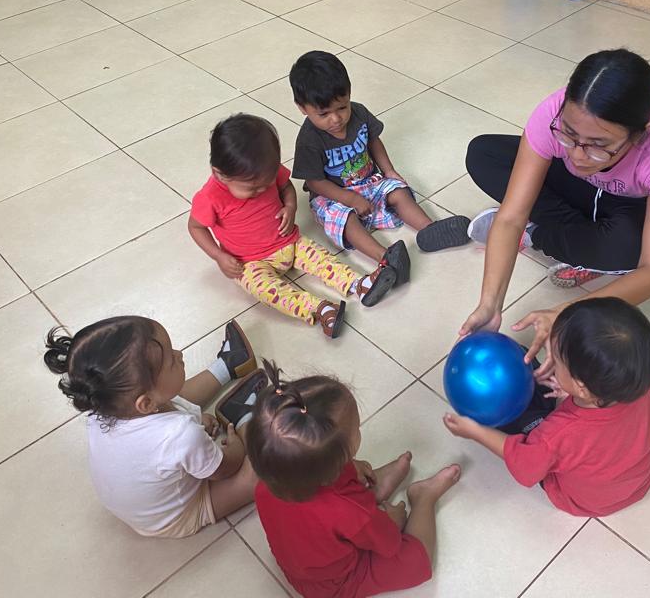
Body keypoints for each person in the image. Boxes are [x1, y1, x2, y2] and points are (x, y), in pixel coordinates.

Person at [460, 48, 650, 375]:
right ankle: (579, 241)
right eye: (569, 135)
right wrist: (489, 304)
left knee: (629, 249)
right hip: (595, 187)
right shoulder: (554, 114)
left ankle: (542, 235)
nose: (578, 155)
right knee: (484, 154)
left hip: (648, 203)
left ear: (640, 134)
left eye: (598, 144)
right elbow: (509, 217)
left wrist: (567, 313)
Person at [247, 361, 462, 598]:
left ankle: (371, 489)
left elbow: (318, 504)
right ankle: (423, 497)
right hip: (333, 584)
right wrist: (392, 520)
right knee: (416, 563)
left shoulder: (270, 480)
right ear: (339, 460)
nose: (359, 431)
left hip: (302, 563)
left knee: (346, 510)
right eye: (357, 429)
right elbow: (390, 543)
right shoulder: (350, 512)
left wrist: (352, 466)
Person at [43, 316, 262, 538]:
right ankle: (243, 417)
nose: (179, 354)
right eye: (171, 361)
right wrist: (236, 445)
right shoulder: (181, 435)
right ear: (145, 404)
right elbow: (226, 468)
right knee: (257, 475)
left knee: (171, 396)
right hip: (175, 516)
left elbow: (157, 438)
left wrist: (195, 423)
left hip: (140, 502)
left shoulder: (102, 407)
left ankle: (229, 364)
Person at [444, 297, 650, 517]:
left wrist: (475, 431)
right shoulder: (641, 388)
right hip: (638, 479)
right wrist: (568, 393)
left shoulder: (556, 435)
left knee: (519, 422)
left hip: (586, 501)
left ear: (581, 386)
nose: (551, 362)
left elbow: (524, 465)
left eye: (556, 360)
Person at [188, 113, 399, 339]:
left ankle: (360, 284)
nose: (262, 190)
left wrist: (290, 207)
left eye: (267, 183)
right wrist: (218, 256)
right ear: (220, 174)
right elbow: (196, 227)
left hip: (290, 241)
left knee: (322, 259)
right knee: (267, 291)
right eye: (252, 188)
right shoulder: (210, 197)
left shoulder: (266, 169)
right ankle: (320, 309)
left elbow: (286, 187)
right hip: (248, 262)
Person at [290, 51, 471, 286]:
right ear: (302, 108)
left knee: (398, 190)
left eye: (342, 108)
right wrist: (350, 199)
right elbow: (315, 182)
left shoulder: (359, 113)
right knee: (343, 219)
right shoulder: (309, 140)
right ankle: (386, 259)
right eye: (324, 114)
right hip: (334, 196)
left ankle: (430, 230)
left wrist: (389, 171)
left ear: (349, 93)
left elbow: (374, 141)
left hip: (369, 181)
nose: (336, 119)